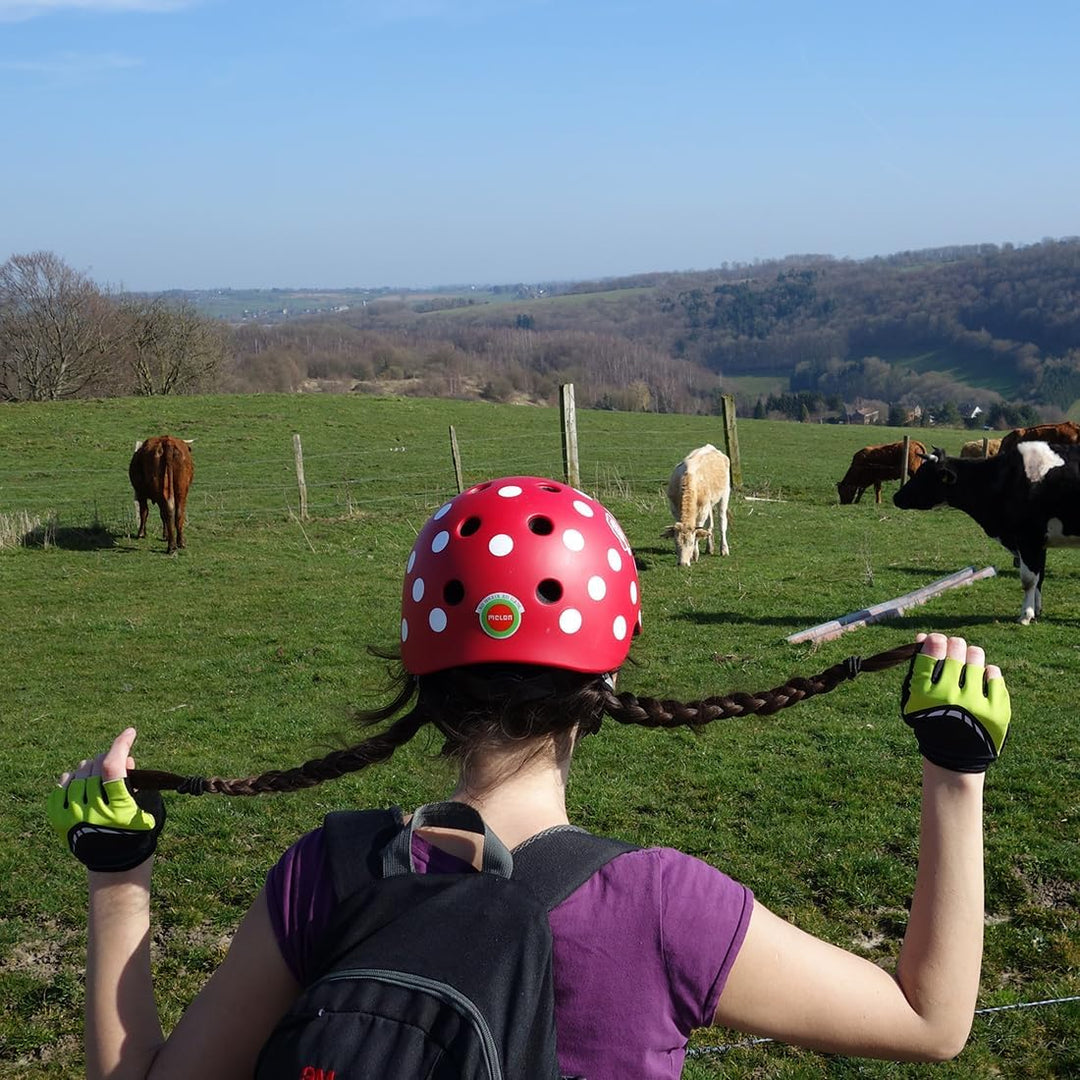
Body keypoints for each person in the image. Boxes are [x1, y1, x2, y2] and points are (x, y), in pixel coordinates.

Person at [48, 475, 1011, 1080]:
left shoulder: (325, 873)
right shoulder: (660, 905)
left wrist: (118, 882)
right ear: (608, 674)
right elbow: (931, 1023)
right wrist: (954, 775)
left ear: (419, 669)